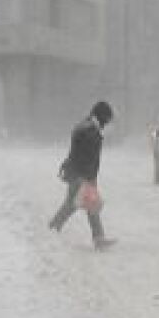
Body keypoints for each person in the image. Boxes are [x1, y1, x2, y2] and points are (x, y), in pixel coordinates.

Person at [49, 101, 116, 250]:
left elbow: (79, 154)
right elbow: (83, 156)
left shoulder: (87, 127)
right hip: (80, 175)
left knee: (87, 205)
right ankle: (52, 229)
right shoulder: (89, 131)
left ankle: (98, 238)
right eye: (107, 119)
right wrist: (86, 178)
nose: (107, 123)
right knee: (74, 205)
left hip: (80, 174)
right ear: (101, 116)